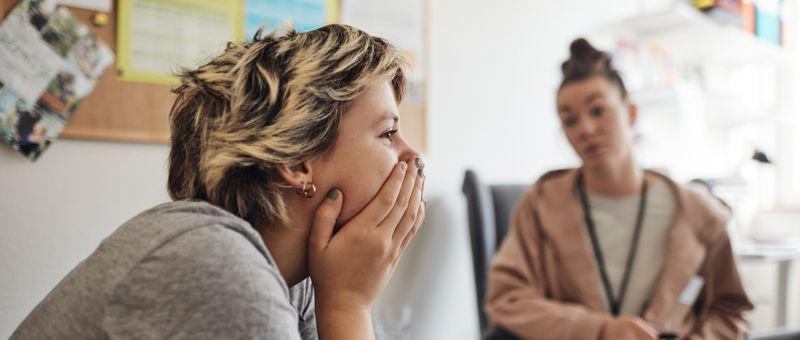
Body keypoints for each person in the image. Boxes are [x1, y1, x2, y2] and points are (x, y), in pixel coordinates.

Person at [11, 24, 426, 339]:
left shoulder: (294, 278)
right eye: (388, 133)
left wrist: (342, 298)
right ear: (298, 162)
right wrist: (349, 306)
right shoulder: (215, 264)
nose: (412, 156)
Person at [484, 38, 753, 340]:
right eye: (569, 120)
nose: (585, 129)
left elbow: (730, 310)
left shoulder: (701, 213)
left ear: (632, 113)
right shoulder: (541, 203)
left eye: (598, 110)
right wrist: (599, 329)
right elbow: (507, 299)